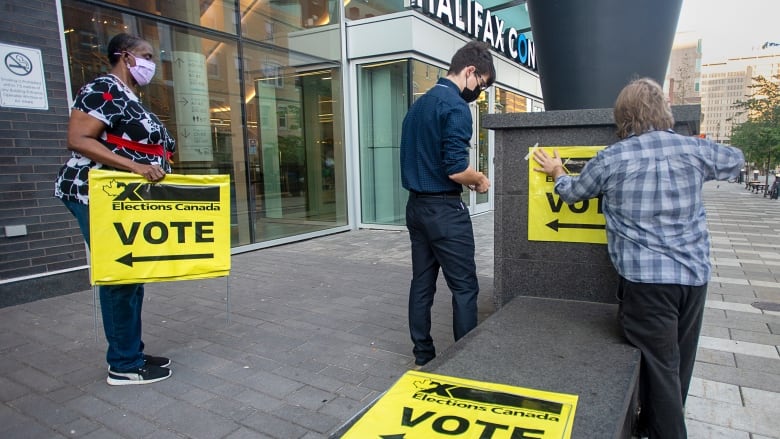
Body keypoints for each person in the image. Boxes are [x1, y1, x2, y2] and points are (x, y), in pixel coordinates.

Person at [532, 77, 744, 438]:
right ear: (664, 112)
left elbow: (573, 193)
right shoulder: (692, 150)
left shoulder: (612, 158)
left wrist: (556, 172)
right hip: (693, 277)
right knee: (678, 362)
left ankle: (666, 430)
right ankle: (653, 423)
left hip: (646, 283)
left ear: (623, 116)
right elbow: (735, 161)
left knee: (661, 368)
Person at [55, 33, 175, 385]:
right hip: (95, 194)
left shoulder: (128, 96)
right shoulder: (103, 89)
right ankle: (123, 365)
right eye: (147, 55)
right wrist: (137, 167)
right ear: (125, 56)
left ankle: (130, 350)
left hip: (121, 198)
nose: (153, 63)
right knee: (120, 276)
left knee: (131, 276)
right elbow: (78, 139)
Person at [400, 41, 495, 367]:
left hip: (416, 208)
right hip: (444, 211)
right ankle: (464, 362)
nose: (478, 93)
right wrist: (479, 179)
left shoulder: (418, 107)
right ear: (470, 71)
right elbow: (456, 169)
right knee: (465, 288)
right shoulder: (455, 107)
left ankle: (423, 355)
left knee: (422, 283)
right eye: (480, 85)